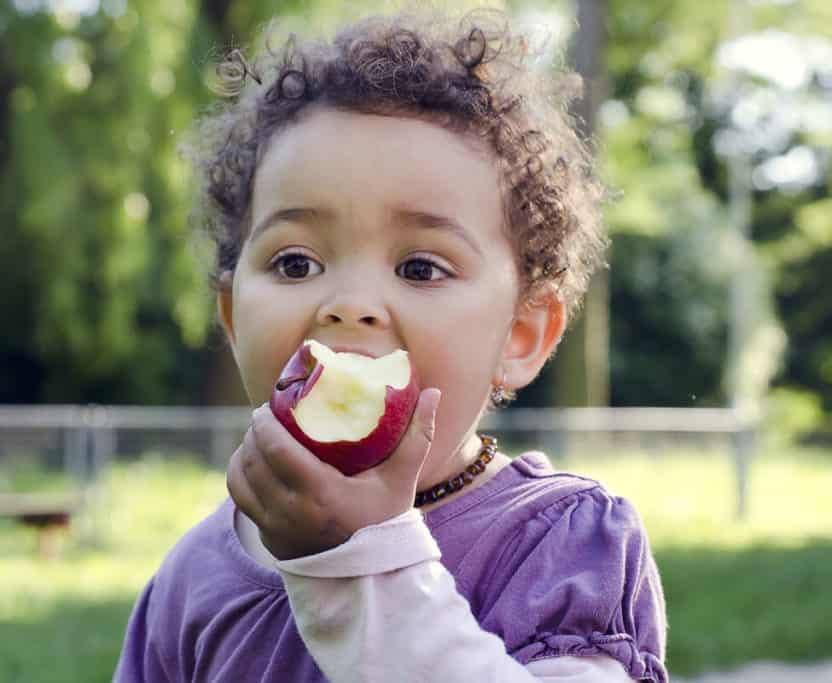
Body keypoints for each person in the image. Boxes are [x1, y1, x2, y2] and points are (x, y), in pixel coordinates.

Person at [114, 7, 667, 682]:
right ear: (232, 317)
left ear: (520, 334)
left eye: (420, 268)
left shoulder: (563, 544)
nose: (349, 304)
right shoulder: (193, 577)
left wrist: (357, 561)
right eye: (295, 263)